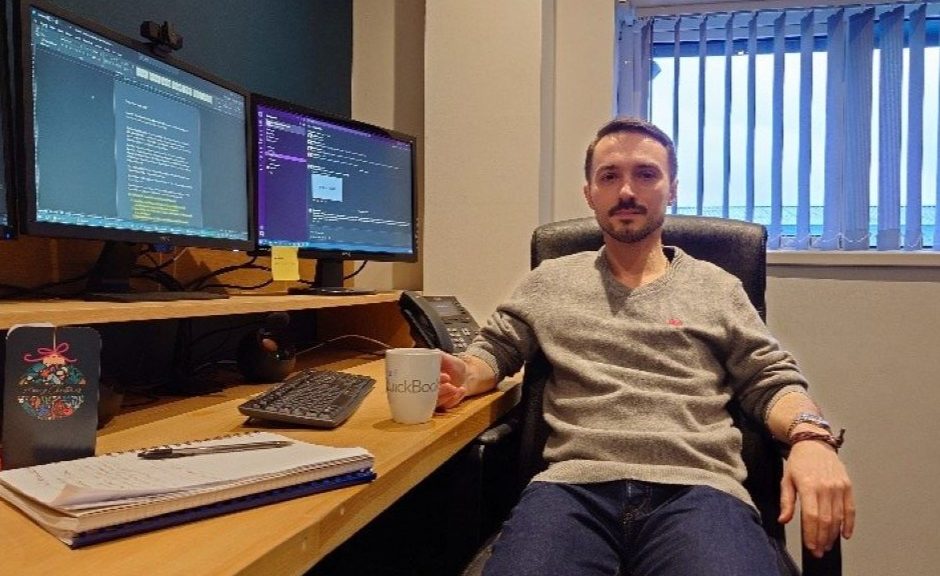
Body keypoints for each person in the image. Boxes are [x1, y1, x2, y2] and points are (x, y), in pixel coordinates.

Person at [436, 116, 855, 576]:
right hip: (571, 492)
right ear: (589, 193)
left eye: (646, 174)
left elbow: (770, 380)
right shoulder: (550, 281)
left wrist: (811, 437)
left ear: (671, 188)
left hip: (700, 492)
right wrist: (463, 373)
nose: (627, 191)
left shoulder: (717, 287)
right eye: (609, 176)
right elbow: (495, 350)